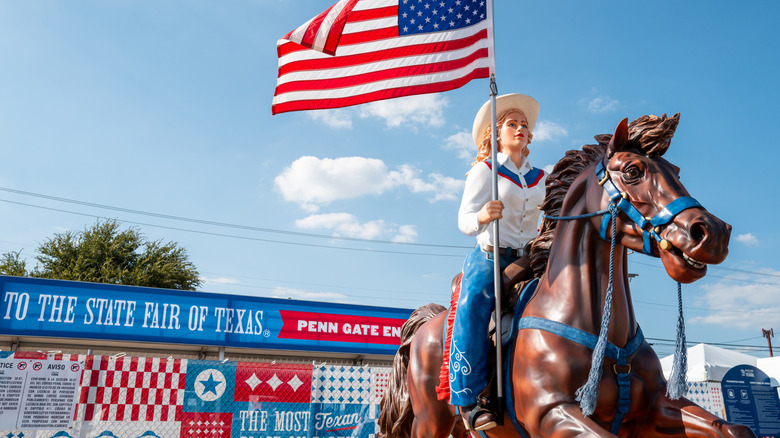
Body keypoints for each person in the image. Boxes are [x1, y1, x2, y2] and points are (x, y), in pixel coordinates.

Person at [448, 93, 547, 431]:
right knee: (473, 305)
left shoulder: (541, 178)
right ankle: (468, 399)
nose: (520, 129)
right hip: (489, 257)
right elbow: (463, 221)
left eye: (524, 125)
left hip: (529, 258)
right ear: (497, 133)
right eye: (512, 124)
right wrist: (481, 215)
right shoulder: (484, 171)